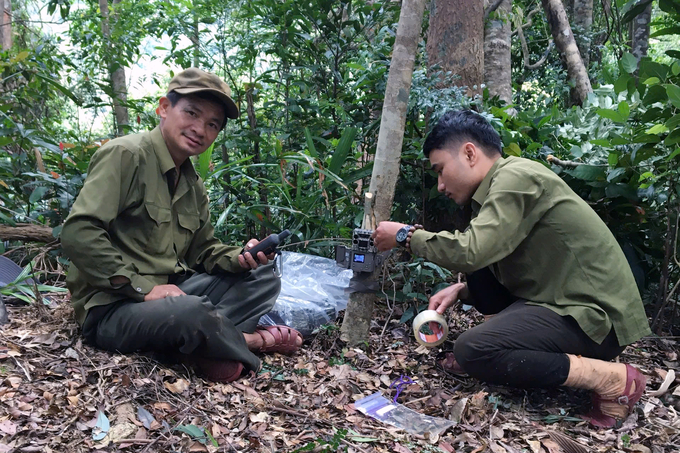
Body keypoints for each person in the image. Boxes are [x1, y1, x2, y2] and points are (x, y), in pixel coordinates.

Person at [371, 109, 651, 428]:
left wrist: (406, 235)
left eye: (440, 170)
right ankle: (502, 347)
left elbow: (471, 252)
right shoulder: (495, 190)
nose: (440, 185)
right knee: (478, 271)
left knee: (472, 348)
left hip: (594, 317)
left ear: (469, 153)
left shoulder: (514, 178)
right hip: (564, 303)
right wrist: (463, 290)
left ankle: (613, 379)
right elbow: (486, 256)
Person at [61, 68, 302, 383]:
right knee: (189, 312)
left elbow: (203, 249)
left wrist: (241, 257)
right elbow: (78, 233)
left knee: (262, 276)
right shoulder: (125, 155)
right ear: (163, 108)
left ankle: (196, 344)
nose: (200, 129)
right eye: (191, 113)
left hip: (172, 294)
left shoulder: (192, 183)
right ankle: (249, 342)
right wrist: (145, 290)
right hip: (113, 307)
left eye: (212, 124)